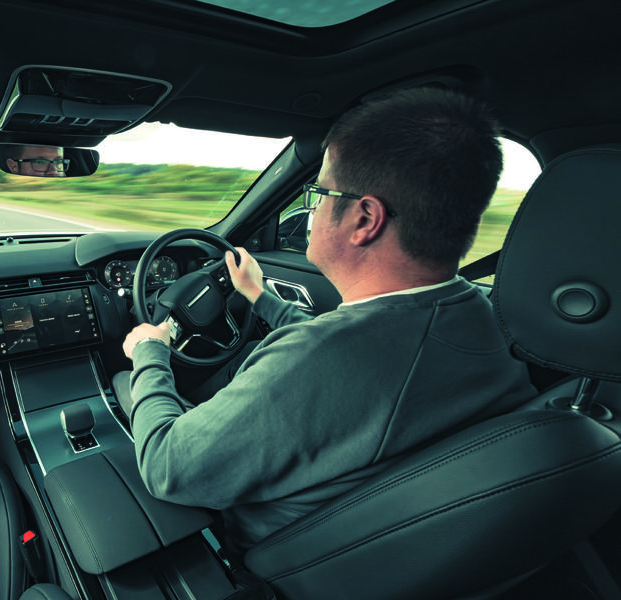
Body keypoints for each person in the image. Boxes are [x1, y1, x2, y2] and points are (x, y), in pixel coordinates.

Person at [118, 87, 537, 557]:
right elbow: (337, 349)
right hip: (381, 547)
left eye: (318, 193)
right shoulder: (478, 315)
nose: (311, 209)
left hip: (251, 558)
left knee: (126, 391)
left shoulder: (324, 357)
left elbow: (166, 467)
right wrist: (259, 296)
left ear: (364, 218)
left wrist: (150, 350)